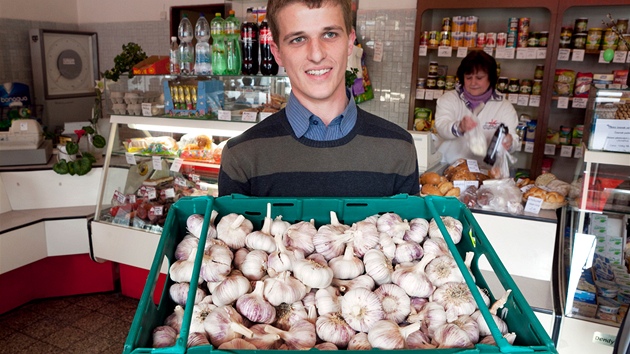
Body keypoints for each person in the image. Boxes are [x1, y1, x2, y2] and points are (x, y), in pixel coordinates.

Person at [218, 0, 419, 197]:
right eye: (298, 39)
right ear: (277, 53)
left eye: (329, 34)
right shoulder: (241, 157)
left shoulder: (399, 149)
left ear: (350, 42)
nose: (316, 55)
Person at [434, 50, 519, 165]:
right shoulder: (449, 99)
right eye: (468, 78)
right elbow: (441, 127)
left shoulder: (504, 106)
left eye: (479, 78)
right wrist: (459, 127)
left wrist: (509, 142)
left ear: (491, 78)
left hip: (486, 172)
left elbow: (513, 140)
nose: (473, 83)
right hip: (448, 167)